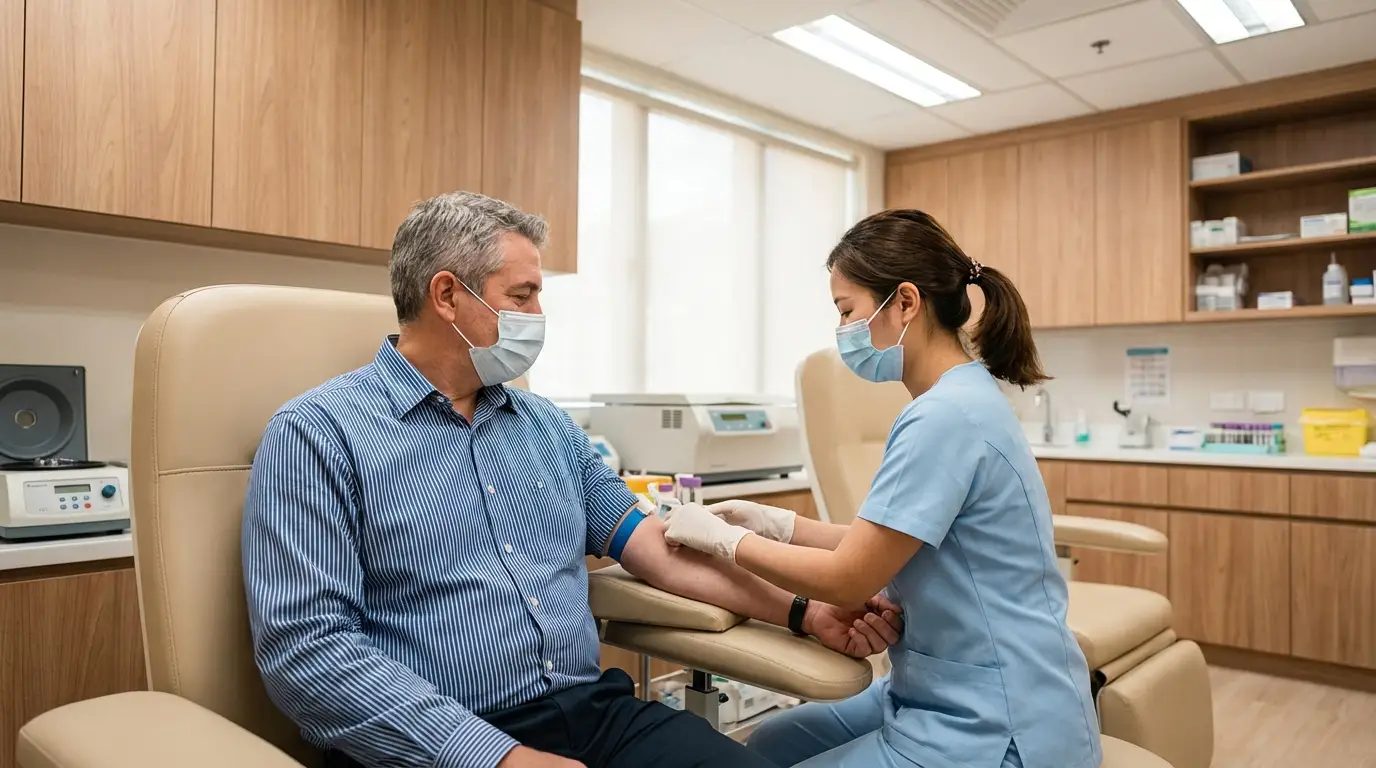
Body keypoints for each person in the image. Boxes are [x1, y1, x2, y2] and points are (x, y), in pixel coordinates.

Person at [241, 191, 903, 768]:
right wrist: (496, 758)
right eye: (521, 295)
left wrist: (805, 613)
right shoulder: (319, 435)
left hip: (594, 719)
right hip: (439, 743)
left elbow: (660, 552)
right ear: (447, 295)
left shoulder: (547, 429)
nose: (538, 316)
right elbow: (310, 652)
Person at [661, 209, 1102, 768]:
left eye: (847, 310)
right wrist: (779, 524)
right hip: (939, 687)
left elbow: (851, 578)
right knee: (772, 744)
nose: (843, 330)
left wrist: (724, 542)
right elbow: (896, 541)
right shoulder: (958, 399)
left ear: (906, 303)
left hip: (998, 722)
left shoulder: (944, 417)